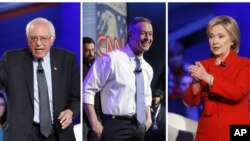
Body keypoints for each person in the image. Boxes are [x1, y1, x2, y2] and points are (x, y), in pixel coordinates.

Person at [0, 17, 80, 141]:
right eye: (33, 38)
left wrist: (71, 111)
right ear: (27, 40)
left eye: (43, 38)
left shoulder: (67, 60)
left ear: (52, 39)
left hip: (59, 132)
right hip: (22, 134)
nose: (38, 43)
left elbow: (76, 97)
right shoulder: (11, 60)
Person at [83, 17, 154, 141]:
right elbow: (87, 89)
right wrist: (94, 123)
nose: (148, 38)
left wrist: (148, 120)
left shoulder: (147, 68)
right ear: (131, 35)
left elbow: (146, 96)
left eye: (150, 34)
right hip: (115, 127)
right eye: (143, 33)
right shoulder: (111, 59)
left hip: (139, 127)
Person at [184, 15, 250, 141]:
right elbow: (190, 102)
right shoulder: (203, 65)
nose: (214, 41)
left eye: (221, 36)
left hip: (238, 130)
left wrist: (209, 79)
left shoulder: (245, 64)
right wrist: (196, 83)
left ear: (232, 40)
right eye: (211, 36)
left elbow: (237, 93)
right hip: (207, 132)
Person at [83, 37, 103, 141]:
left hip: (98, 116)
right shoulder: (79, 69)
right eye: (87, 50)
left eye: (92, 50)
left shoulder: (96, 67)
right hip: (85, 120)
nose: (91, 54)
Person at [168, 41, 189, 117]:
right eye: (171, 56)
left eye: (178, 55)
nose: (175, 59)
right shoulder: (166, 73)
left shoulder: (190, 71)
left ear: (183, 56)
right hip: (170, 106)